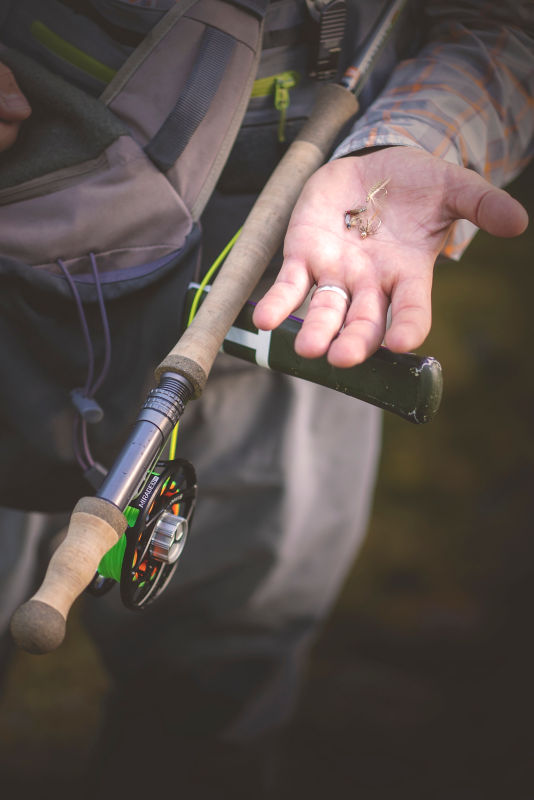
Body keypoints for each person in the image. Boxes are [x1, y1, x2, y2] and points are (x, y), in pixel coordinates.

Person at [0, 1, 532, 796]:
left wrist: (411, 143)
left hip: (306, 292)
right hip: (22, 252)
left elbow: (504, 27)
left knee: (220, 686)